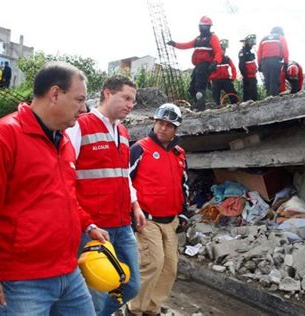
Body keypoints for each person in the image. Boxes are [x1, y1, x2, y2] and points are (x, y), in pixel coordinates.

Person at [0, 61, 108, 316]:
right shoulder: (1, 138)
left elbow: (65, 198)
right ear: (55, 94)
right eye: (79, 99)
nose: (84, 109)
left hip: (68, 273)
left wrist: (87, 225)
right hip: (22, 282)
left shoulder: (62, 142)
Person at [67, 75, 146, 316]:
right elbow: (66, 177)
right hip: (93, 227)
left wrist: (135, 204)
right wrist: (83, 221)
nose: (130, 105)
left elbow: (124, 176)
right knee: (97, 292)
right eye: (126, 98)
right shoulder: (80, 125)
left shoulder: (122, 132)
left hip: (122, 223)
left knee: (131, 285)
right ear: (107, 93)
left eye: (133, 100)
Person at [127, 103, 189, 316]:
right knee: (152, 263)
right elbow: (124, 181)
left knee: (170, 267)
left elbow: (184, 185)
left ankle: (152, 308)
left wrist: (183, 213)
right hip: (147, 218)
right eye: (160, 123)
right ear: (154, 124)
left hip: (170, 220)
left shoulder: (179, 154)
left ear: (176, 129)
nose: (162, 128)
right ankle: (134, 309)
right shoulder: (139, 149)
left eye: (168, 125)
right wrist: (130, 214)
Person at [167, 16, 222, 112]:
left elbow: (218, 52)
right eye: (201, 26)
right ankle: (199, 104)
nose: (203, 28)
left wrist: (215, 62)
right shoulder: (198, 39)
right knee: (192, 88)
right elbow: (186, 45)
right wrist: (174, 44)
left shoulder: (213, 37)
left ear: (209, 27)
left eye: (205, 27)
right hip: (198, 66)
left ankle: (200, 108)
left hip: (205, 65)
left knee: (200, 86)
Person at [257, 26, 289, 97]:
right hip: (275, 61)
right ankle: (274, 100)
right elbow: (285, 51)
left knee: (267, 82)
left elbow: (259, 52)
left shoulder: (263, 39)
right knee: (274, 81)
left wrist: (259, 64)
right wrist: (286, 63)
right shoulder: (281, 38)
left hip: (264, 62)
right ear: (280, 32)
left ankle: (269, 98)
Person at [210, 39, 238, 106]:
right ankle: (217, 107)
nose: (223, 51)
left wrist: (233, 77)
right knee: (215, 97)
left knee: (232, 93)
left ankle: (235, 106)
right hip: (215, 80)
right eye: (222, 49)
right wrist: (209, 79)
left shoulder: (227, 59)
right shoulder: (213, 59)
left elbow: (233, 68)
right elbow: (208, 69)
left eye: (224, 50)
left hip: (226, 79)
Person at [238, 34, 259, 101]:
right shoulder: (243, 52)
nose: (252, 44)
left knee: (254, 95)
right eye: (250, 41)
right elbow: (241, 66)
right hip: (248, 77)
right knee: (248, 96)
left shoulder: (249, 52)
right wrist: (246, 77)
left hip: (253, 77)